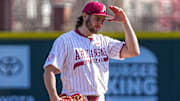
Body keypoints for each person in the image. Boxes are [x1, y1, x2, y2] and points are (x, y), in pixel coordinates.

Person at [43, 1, 140, 101]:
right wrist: (54, 97)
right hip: (77, 98)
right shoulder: (65, 40)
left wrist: (125, 23)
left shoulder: (104, 42)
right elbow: (48, 70)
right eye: (97, 18)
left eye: (102, 20)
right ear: (85, 16)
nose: (100, 23)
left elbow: (133, 51)